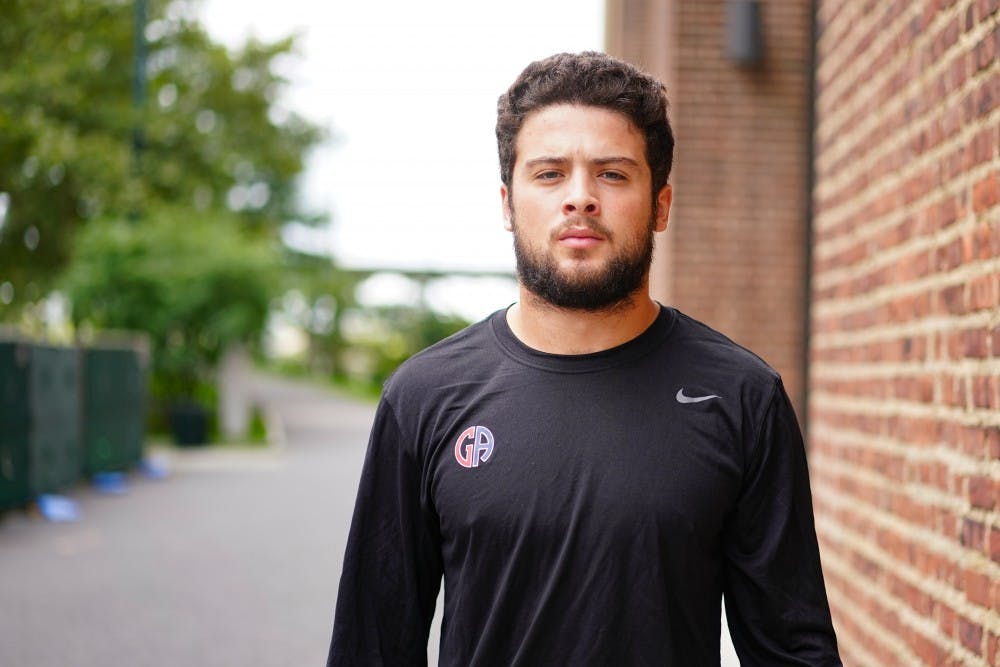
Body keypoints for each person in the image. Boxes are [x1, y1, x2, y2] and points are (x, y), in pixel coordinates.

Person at [327, 51, 841, 666]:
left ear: (661, 205)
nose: (580, 198)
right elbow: (371, 645)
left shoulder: (740, 396)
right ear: (507, 204)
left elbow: (792, 651)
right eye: (549, 174)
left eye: (613, 174)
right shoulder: (423, 396)